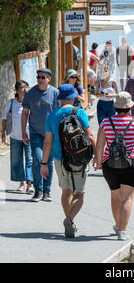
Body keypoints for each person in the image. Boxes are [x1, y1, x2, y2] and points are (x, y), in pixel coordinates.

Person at [41, 84, 96, 238]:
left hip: (59, 159)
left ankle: (69, 222)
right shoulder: (79, 112)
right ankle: (69, 219)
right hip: (80, 157)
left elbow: (47, 142)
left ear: (60, 98)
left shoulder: (52, 116)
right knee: (79, 193)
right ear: (73, 97)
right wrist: (98, 155)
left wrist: (44, 163)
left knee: (66, 191)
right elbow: (90, 136)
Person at [94, 92, 134, 241]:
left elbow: (100, 145)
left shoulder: (105, 122)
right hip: (132, 163)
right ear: (130, 106)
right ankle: (123, 232)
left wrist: (99, 162)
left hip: (109, 163)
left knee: (115, 196)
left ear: (115, 106)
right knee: (127, 199)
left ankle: (118, 225)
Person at [21, 68, 59, 202]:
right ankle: (38, 190)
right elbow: (25, 113)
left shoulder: (55, 93)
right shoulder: (30, 93)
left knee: (48, 161)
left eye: (43, 77)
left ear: (49, 79)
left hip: (51, 133)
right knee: (37, 159)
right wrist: (23, 132)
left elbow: (58, 113)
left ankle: (47, 191)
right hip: (35, 132)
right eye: (38, 77)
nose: (40, 79)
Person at [2, 80, 34, 194]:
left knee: (30, 160)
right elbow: (4, 118)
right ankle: (22, 183)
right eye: (22, 87)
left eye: (26, 87)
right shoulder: (11, 103)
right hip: (15, 137)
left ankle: (30, 184)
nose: (25, 89)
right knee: (17, 161)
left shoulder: (31, 103)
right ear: (17, 90)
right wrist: (3, 133)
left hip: (29, 136)